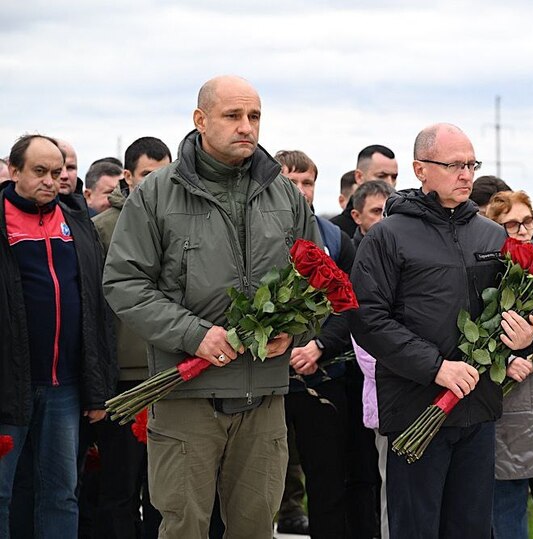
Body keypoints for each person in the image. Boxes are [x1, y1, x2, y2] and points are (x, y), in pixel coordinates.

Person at [102, 75, 320, 537]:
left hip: (263, 395)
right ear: (200, 120)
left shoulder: (284, 194)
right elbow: (124, 282)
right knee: (184, 527)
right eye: (233, 115)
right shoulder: (156, 194)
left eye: (254, 116)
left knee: (255, 527)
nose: (247, 126)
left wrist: (294, 332)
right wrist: (193, 334)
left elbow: (317, 281)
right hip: (186, 396)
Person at [350, 123, 533, 539]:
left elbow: (512, 307)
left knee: (471, 528)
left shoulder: (491, 234)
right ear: (420, 169)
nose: (466, 174)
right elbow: (367, 319)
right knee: (416, 529)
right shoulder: (387, 236)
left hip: (477, 409)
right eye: (454, 165)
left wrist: (525, 339)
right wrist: (436, 367)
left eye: (471, 164)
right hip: (416, 408)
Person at [0, 134, 115, 538]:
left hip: (64, 386)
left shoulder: (76, 220)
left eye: (58, 171)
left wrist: (97, 389)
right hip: (7, 386)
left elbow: (97, 307)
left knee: (62, 493)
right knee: (2, 493)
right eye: (40, 171)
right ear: (14, 171)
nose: (51, 180)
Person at [91, 136, 172, 539]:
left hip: (171, 375)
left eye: (164, 175)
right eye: (147, 175)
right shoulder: (102, 229)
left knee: (165, 491)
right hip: (122, 379)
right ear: (127, 176)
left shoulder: (177, 222)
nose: (156, 183)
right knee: (120, 488)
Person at [274, 149, 354, 538]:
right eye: (291, 182)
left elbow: (351, 304)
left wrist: (320, 346)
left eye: (308, 182)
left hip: (321, 375)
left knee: (327, 481)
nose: (301, 190)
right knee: (258, 481)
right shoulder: (248, 233)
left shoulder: (335, 238)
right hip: (265, 379)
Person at [486, 190, 533, 539]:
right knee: (508, 514)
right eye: (512, 224)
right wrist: (506, 358)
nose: (524, 230)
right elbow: (474, 335)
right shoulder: (488, 276)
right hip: (508, 412)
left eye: (528, 221)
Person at [349, 178, 395, 539]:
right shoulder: (362, 263)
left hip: (423, 389)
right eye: (376, 211)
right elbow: (366, 337)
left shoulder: (398, 254)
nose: (383, 219)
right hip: (389, 395)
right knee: (391, 493)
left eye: (387, 211)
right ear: (357, 216)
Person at [331, 145, 397, 236]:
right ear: (359, 177)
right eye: (381, 176)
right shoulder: (334, 233)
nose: (390, 182)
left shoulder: (403, 224)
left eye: (394, 177)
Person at [350, 180, 395, 248]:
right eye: (376, 211)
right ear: (357, 216)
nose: (384, 217)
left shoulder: (407, 249)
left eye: (390, 211)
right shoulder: (346, 252)